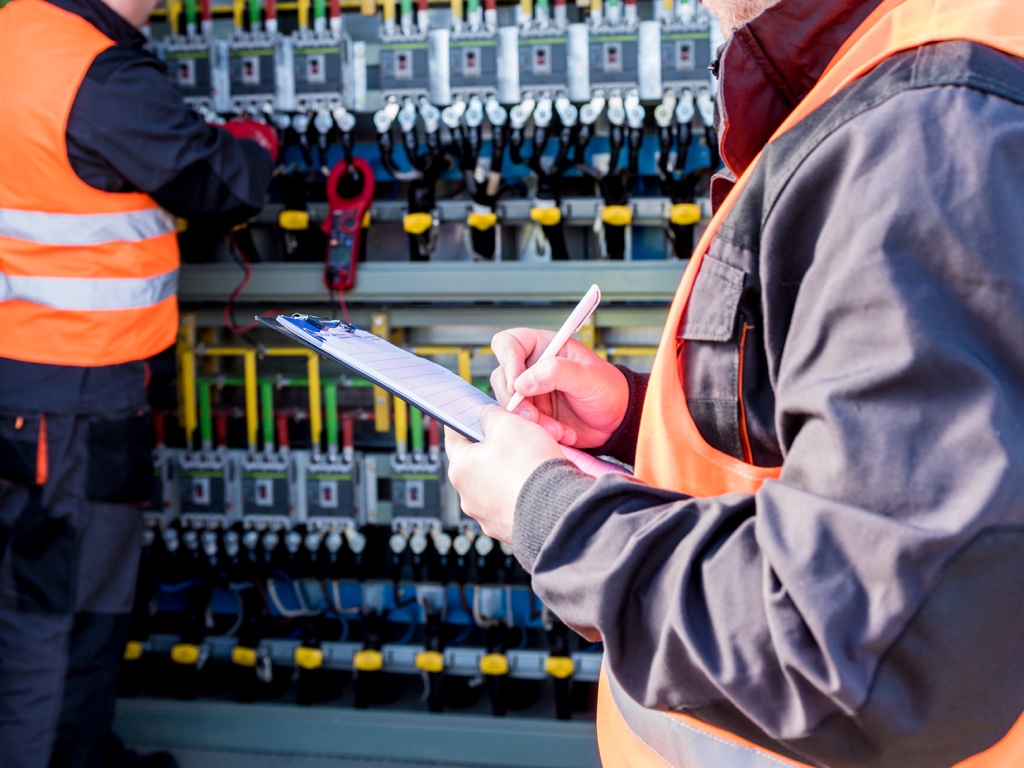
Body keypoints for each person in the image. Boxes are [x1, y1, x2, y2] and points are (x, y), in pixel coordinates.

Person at [445, 0, 1024, 765]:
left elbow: (857, 643)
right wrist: (630, 416)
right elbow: (905, 445)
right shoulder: (901, 81)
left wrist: (550, 514)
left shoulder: (926, 123)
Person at [0, 0, 275, 764]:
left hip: (20, 382)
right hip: (75, 399)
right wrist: (255, 147)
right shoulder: (94, 74)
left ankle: (82, 748)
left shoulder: (16, 32)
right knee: (64, 617)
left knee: (28, 607)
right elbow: (223, 183)